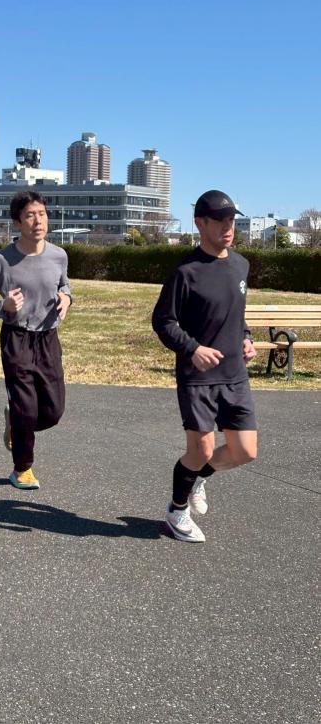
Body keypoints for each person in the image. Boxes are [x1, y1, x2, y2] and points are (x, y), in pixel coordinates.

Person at [152, 189, 258, 543]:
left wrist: (246, 338)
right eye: (219, 220)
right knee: (202, 450)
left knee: (245, 451)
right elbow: (163, 321)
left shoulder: (241, 265)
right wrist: (193, 349)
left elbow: (235, 314)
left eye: (231, 220)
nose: (228, 227)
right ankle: (176, 510)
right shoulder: (186, 272)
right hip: (197, 377)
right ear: (200, 223)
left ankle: (198, 478)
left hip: (234, 375)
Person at [0, 190, 72, 489]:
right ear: (18, 222)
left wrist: (67, 299)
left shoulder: (59, 256)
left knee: (53, 412)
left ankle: (15, 421)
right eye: (30, 215)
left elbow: (65, 285)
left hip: (48, 339)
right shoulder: (2, 259)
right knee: (27, 408)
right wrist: (2, 306)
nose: (38, 221)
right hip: (16, 338)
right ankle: (22, 469)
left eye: (41, 214)